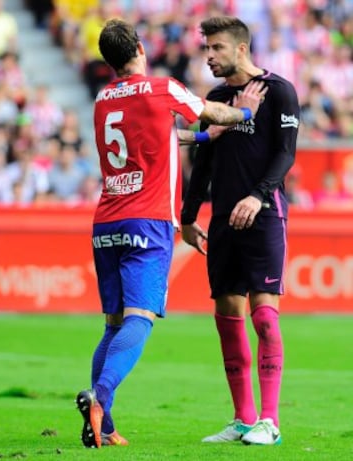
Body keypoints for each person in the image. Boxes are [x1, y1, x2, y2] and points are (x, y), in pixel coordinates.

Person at [75, 18, 267, 449]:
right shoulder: (160, 88)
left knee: (112, 324)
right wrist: (247, 110)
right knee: (140, 319)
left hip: (106, 220)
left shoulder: (103, 100)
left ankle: (104, 425)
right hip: (148, 220)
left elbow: (157, 134)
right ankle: (99, 397)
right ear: (140, 48)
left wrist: (201, 137)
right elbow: (212, 109)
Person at [181, 16, 300, 446]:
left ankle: (271, 421)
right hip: (222, 223)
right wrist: (189, 215)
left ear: (241, 49)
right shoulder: (214, 99)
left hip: (265, 215)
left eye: (216, 48)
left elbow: (286, 154)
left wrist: (258, 195)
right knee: (227, 317)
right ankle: (244, 419)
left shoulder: (279, 91)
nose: (208, 56)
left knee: (264, 316)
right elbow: (203, 161)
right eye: (206, 49)